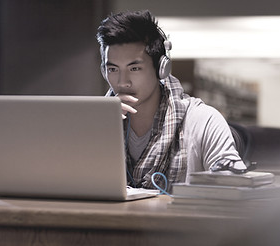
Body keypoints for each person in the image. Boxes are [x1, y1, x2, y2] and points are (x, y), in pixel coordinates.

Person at [96, 10, 246, 191]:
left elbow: (234, 188)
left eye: (134, 68)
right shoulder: (95, 122)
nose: (122, 82)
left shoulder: (203, 120)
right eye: (113, 69)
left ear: (161, 68)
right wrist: (99, 129)